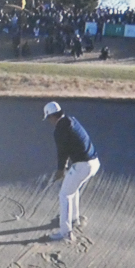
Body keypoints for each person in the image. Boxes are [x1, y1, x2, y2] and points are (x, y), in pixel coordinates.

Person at [43, 101, 100, 241]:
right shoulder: (71, 120)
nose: (49, 121)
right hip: (94, 162)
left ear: (52, 116)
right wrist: (65, 168)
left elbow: (62, 152)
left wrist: (60, 170)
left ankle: (66, 233)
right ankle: (74, 219)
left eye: (48, 118)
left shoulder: (59, 130)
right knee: (72, 189)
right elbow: (70, 147)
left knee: (64, 195)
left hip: (83, 165)